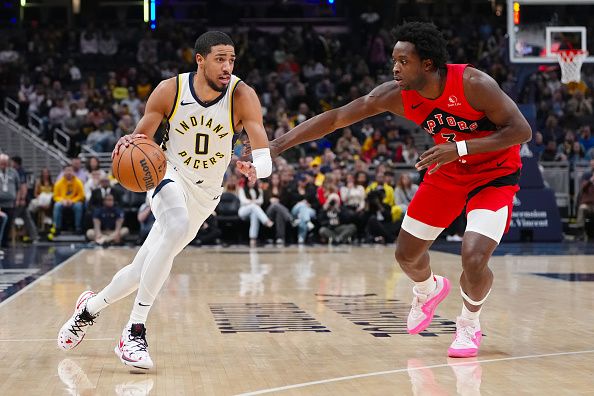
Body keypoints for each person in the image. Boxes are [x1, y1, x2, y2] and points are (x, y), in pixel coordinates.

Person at [264, 22, 532, 357]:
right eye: (394, 59)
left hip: (494, 175)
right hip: (447, 172)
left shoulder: (473, 84)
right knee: (406, 255)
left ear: (428, 65)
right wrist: (277, 144)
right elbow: (335, 119)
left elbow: (522, 131)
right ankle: (428, 289)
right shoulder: (394, 95)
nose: (395, 67)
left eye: (403, 61)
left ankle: (468, 324)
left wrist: (461, 147)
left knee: (474, 257)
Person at [58, 31, 272, 369]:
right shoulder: (170, 90)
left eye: (231, 59)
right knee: (176, 224)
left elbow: (264, 151)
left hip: (206, 195)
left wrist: (255, 167)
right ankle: (134, 331)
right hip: (167, 174)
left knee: (139, 271)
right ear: (199, 60)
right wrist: (127, 149)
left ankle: (88, 310)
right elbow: (139, 140)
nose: (227, 66)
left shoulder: (242, 95)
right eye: (220, 59)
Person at [50, 165, 85, 235]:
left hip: (74, 202)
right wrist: (63, 201)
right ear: (64, 172)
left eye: (70, 170)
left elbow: (81, 195)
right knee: (57, 206)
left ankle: (78, 228)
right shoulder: (58, 183)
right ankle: (57, 228)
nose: (69, 172)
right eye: (67, 170)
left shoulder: (78, 182)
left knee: (78, 206)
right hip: (63, 202)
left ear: (73, 172)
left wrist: (72, 201)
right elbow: (55, 196)